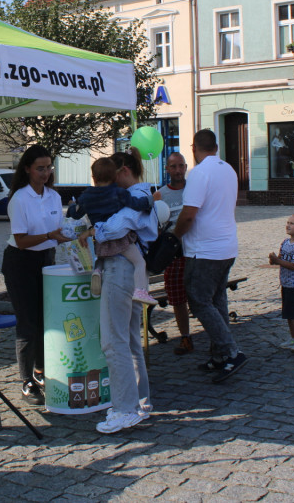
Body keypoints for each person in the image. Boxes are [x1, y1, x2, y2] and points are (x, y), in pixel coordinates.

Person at [173, 128, 248, 383]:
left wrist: (175, 236)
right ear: (216, 147)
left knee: (199, 301)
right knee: (217, 300)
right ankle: (219, 356)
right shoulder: (228, 169)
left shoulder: (199, 173)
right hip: (226, 246)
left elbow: (189, 213)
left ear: (194, 148)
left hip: (204, 250)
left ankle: (230, 351)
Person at [87, 151, 154, 434]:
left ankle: (125, 409)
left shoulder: (134, 195)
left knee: (113, 342)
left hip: (119, 267)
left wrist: (92, 229)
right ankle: (140, 403)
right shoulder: (134, 193)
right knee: (127, 339)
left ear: (122, 171)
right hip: (124, 267)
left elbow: (113, 230)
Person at [1, 145, 69, 406]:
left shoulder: (53, 196)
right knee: (28, 323)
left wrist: (74, 235)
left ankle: (41, 371)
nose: (46, 173)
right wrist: (50, 236)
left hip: (46, 261)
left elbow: (57, 231)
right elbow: (21, 240)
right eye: (40, 168)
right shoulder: (19, 199)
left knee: (46, 320)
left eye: (49, 167)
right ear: (27, 169)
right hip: (20, 262)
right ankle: (26, 380)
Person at [67, 157, 156, 305]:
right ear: (114, 176)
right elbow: (136, 204)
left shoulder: (87, 196)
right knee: (140, 262)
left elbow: (76, 213)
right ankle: (140, 291)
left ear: (94, 178)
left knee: (102, 257)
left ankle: (97, 271)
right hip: (120, 241)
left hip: (100, 240)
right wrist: (151, 201)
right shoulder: (119, 192)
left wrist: (70, 207)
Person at [152, 152, 196, 355]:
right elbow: (155, 227)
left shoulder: (195, 190)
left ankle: (215, 337)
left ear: (186, 167)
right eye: (173, 167)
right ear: (167, 169)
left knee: (202, 297)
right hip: (174, 255)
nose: (178, 170)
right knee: (178, 300)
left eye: (181, 166)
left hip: (197, 252)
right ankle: (185, 337)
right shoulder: (161, 195)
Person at [268, 214, 294, 353]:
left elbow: (293, 266)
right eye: (287, 222)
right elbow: (281, 259)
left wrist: (277, 261)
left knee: (293, 314)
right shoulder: (285, 242)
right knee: (288, 314)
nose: (288, 225)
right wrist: (273, 259)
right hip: (285, 284)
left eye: (292, 223)